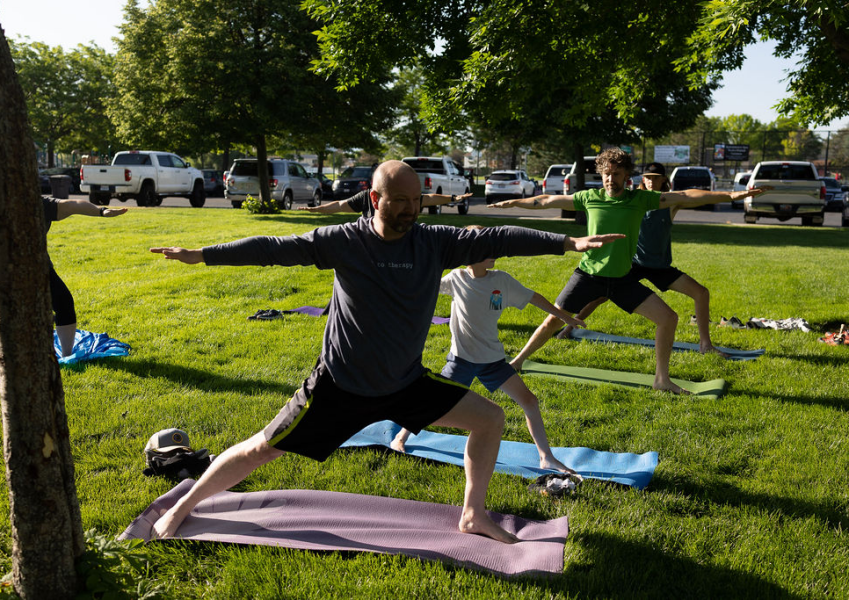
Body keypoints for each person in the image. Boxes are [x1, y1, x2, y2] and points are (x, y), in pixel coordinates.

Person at [149, 160, 622, 544]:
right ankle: (182, 505)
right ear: (374, 199)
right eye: (399, 202)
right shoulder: (345, 241)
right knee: (260, 449)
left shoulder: (433, 242)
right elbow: (275, 247)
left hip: (404, 383)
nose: (410, 210)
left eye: (416, 201)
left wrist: (567, 242)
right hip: (339, 387)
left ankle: (472, 516)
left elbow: (496, 236)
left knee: (489, 419)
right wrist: (202, 254)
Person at [490, 147, 769, 394]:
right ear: (601, 175)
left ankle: (661, 379)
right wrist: (514, 202)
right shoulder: (590, 197)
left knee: (668, 318)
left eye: (617, 174)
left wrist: (730, 193)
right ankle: (516, 363)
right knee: (553, 320)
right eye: (607, 174)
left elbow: (685, 195)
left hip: (623, 280)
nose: (611, 179)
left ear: (627, 176)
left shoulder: (640, 199)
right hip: (588, 275)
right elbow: (546, 201)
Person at [390, 224, 584, 473]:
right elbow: (424, 286)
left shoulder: (502, 281)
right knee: (432, 403)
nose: (495, 251)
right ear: (469, 254)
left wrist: (565, 318)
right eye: (487, 247)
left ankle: (546, 457)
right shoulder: (457, 278)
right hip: (461, 360)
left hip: (493, 361)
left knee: (530, 402)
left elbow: (534, 297)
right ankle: (400, 438)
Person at [556, 162, 727, 356]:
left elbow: (691, 196)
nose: (651, 181)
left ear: (664, 180)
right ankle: (568, 329)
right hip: (633, 264)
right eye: (647, 177)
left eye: (655, 177)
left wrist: (731, 196)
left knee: (701, 293)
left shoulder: (670, 203)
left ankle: (706, 344)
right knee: (599, 297)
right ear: (641, 180)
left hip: (659, 266)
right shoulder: (633, 199)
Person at [0, 197, 127, 356]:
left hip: (38, 266)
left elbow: (74, 205)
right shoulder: (0, 202)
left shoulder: (41, 205)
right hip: (4, 267)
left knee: (64, 303)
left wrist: (101, 211)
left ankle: (67, 354)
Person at [297, 188, 473, 218]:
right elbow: (340, 205)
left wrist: (453, 198)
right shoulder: (365, 196)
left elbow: (429, 198)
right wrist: (316, 209)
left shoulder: (404, 194)